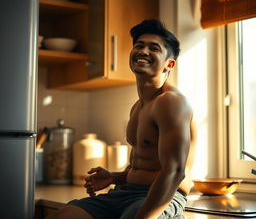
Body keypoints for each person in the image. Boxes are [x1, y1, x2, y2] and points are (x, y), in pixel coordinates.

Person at [50, 19, 197, 219]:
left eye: (153, 48)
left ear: (168, 64)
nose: (143, 51)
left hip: (163, 196)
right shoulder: (138, 107)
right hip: (124, 193)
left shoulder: (171, 102)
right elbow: (143, 166)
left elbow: (175, 171)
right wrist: (113, 177)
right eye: (139, 45)